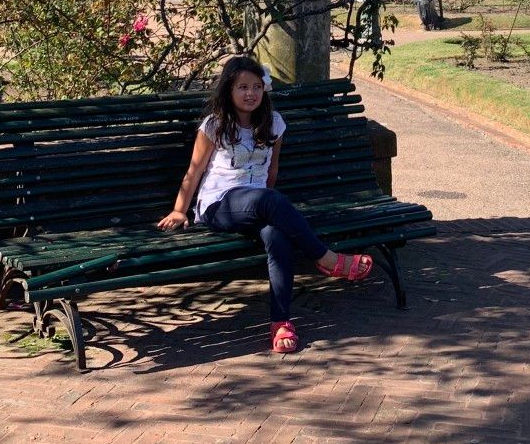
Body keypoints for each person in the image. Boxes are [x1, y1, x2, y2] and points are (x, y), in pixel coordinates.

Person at [157, 54, 373, 354]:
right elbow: (194, 171)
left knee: (276, 234)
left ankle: (281, 322)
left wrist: (271, 215)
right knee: (268, 201)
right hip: (219, 205)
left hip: (258, 204)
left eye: (256, 87)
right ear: (229, 90)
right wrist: (180, 210)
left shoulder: (274, 124)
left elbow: (271, 172)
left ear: (264, 90)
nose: (250, 94)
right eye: (243, 87)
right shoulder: (215, 125)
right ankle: (326, 259)